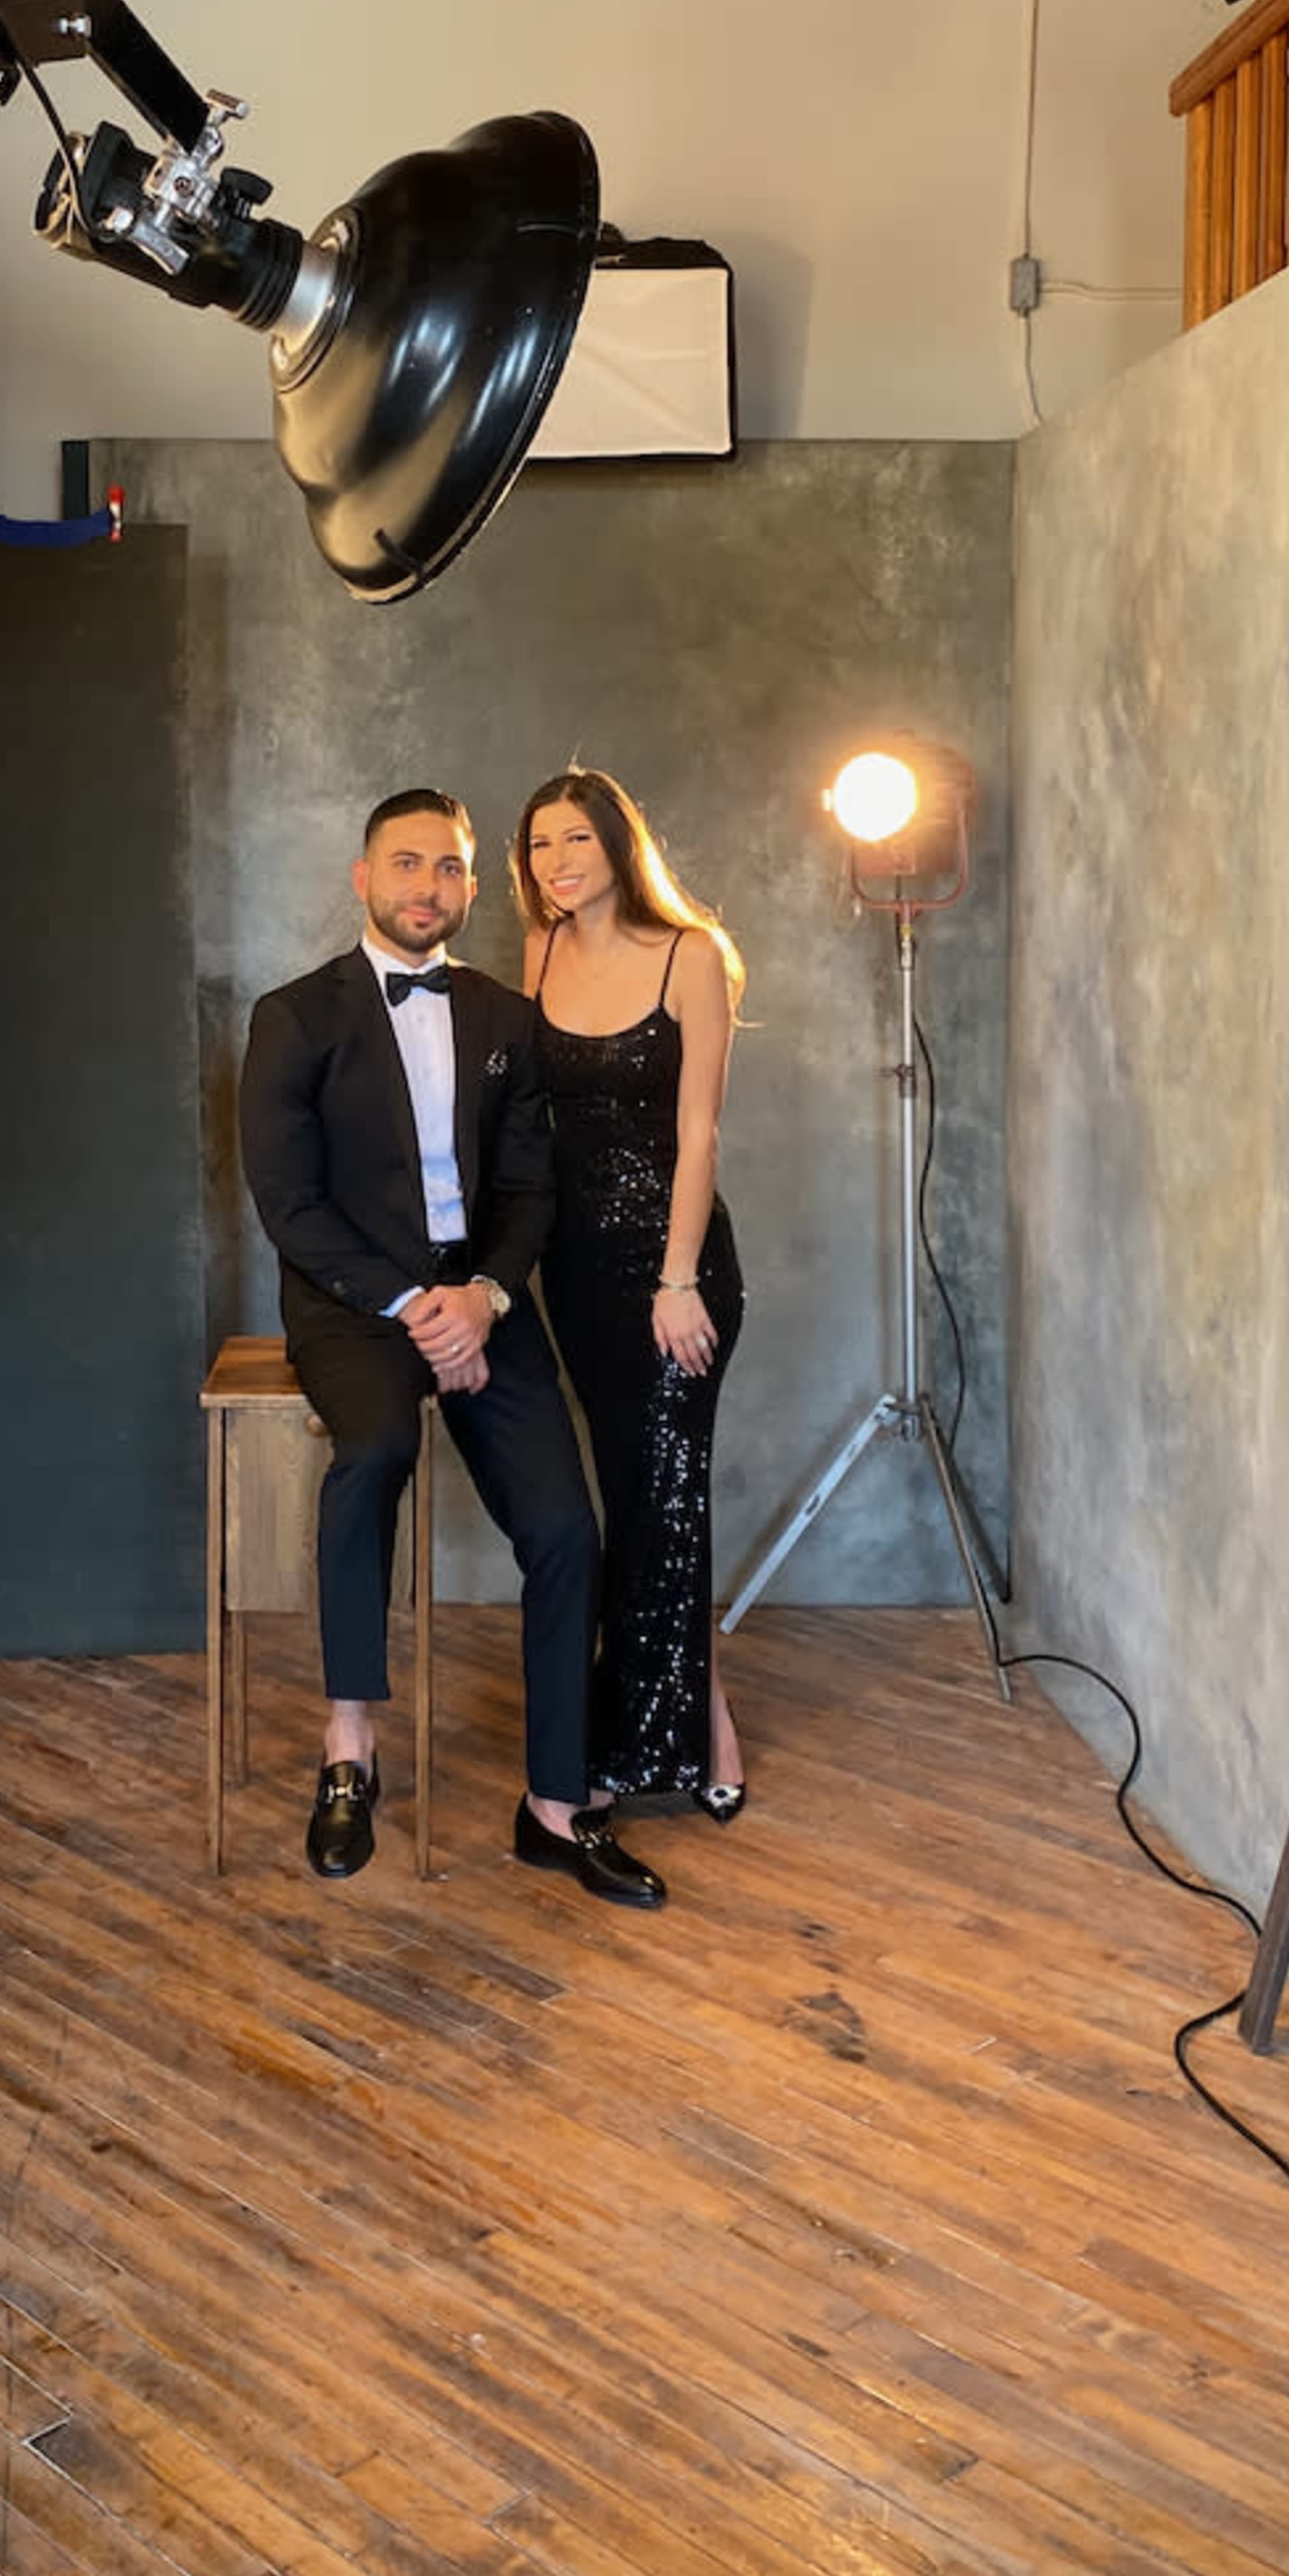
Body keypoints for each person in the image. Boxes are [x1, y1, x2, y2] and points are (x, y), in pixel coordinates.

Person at [239, 790, 666, 1908]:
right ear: (363, 877)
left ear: (473, 888)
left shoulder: (500, 1017)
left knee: (569, 1529)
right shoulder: (293, 1016)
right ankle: (349, 1748)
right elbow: (288, 1204)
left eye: (451, 870)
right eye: (407, 864)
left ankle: (556, 1807)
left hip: (480, 1302)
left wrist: (479, 1295)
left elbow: (533, 1186)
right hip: (353, 1308)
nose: (429, 887)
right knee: (372, 1452)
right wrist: (415, 1308)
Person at [515, 768, 747, 1822]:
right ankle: (708, 1719)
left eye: (575, 840)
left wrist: (677, 1279)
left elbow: (699, 1133)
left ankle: (635, 1747)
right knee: (639, 1500)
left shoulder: (691, 954)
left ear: (618, 842)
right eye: (539, 847)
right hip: (579, 1278)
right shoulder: (541, 950)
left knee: (667, 1498)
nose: (557, 863)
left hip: (677, 1275)